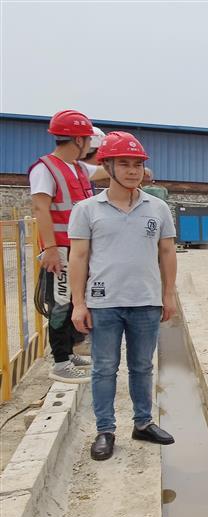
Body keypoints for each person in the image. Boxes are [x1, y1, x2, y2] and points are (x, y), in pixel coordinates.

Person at [68, 131, 178, 461]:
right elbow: (78, 257)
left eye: (137, 164)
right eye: (124, 164)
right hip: (104, 303)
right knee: (104, 367)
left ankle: (143, 423)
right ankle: (105, 430)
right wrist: (78, 303)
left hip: (146, 301)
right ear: (108, 166)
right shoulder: (87, 209)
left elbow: (167, 252)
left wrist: (168, 294)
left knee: (142, 366)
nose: (133, 171)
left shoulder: (157, 208)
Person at [29, 110, 107, 383]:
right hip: (60, 249)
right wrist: (50, 249)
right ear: (78, 140)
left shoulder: (78, 167)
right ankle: (60, 362)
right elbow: (41, 208)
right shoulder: (45, 169)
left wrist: (130, 165)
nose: (90, 146)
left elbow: (103, 171)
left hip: (77, 249)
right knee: (60, 304)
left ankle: (69, 352)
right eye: (87, 140)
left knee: (75, 300)